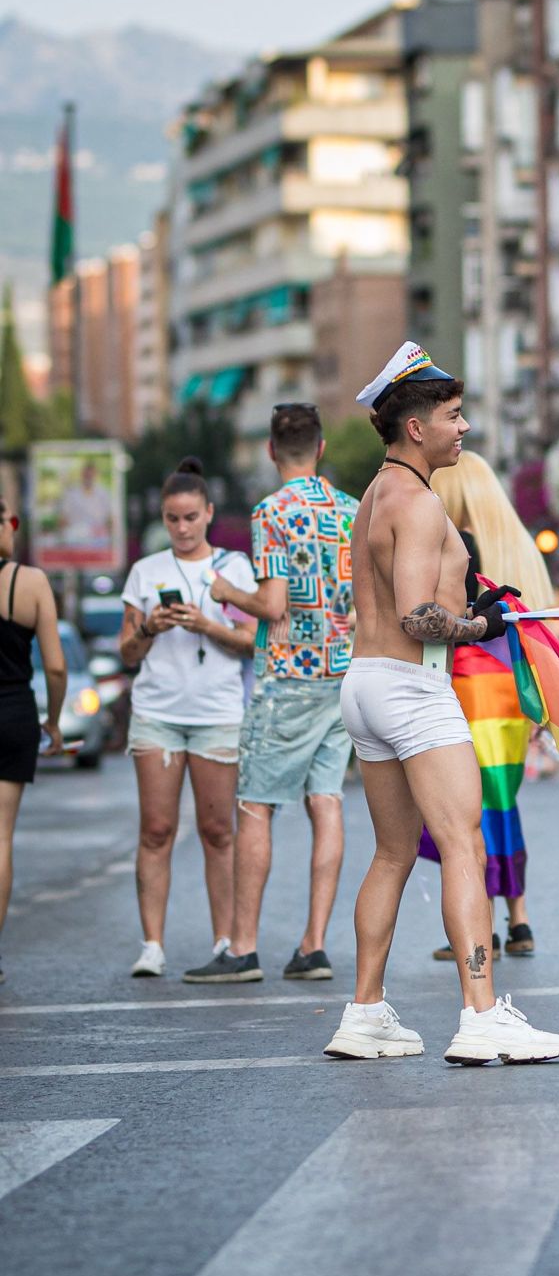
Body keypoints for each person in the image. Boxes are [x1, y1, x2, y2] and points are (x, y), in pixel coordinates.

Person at [323, 342, 559, 1064]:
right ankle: (482, 1014)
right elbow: (416, 615)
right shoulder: (423, 502)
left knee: (394, 852)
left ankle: (363, 1013)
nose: (464, 428)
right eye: (454, 417)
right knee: (466, 845)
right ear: (415, 428)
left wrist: (471, 598)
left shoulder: (374, 493)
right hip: (410, 687)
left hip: (364, 686)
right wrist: (482, 625)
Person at [190, 404, 358, 985]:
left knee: (256, 805)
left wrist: (224, 589)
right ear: (322, 446)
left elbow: (274, 604)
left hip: (288, 676)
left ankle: (243, 947)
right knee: (327, 802)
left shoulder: (271, 513)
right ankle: (313, 945)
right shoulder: (348, 510)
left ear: (270, 450)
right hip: (341, 675)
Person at [117, 459, 259, 978]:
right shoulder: (145, 572)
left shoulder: (235, 569)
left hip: (217, 712)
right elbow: (128, 653)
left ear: (209, 513)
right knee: (155, 829)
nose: (182, 528)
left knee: (217, 830)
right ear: (162, 517)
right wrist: (150, 627)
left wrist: (206, 624)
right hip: (157, 710)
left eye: (191, 518)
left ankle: (225, 939)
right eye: (173, 519)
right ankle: (152, 944)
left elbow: (253, 643)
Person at [421, 451, 557, 962]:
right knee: (501, 800)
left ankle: (480, 926)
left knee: (463, 808)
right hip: (510, 689)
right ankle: (517, 919)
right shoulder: (517, 545)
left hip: (468, 682)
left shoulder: (455, 543)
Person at [0, 488, 67, 984]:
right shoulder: (29, 582)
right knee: (1, 839)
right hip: (13, 715)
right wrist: (54, 721)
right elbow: (57, 667)